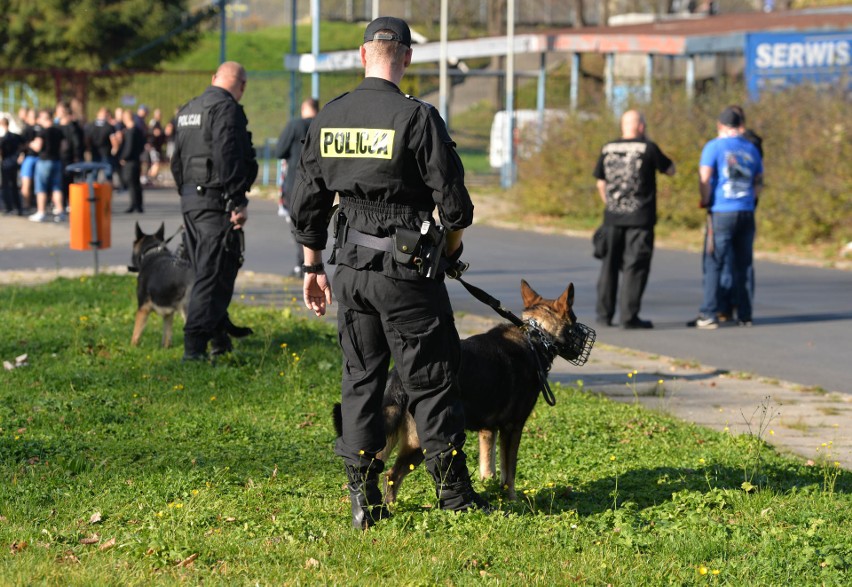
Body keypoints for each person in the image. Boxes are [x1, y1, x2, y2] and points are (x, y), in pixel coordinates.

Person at [290, 16, 488, 530]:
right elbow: (456, 207)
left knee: (361, 379)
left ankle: (363, 498)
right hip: (406, 275)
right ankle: (453, 493)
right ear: (406, 57)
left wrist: (312, 267)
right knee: (431, 377)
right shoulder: (417, 117)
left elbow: (306, 204)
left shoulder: (328, 118)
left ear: (362, 55)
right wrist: (449, 252)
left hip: (350, 268)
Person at [171, 61, 258, 361]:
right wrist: (237, 200)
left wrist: (187, 196)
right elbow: (228, 156)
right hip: (216, 202)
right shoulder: (226, 109)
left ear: (214, 78)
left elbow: (176, 161)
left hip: (192, 201)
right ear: (242, 85)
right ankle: (193, 348)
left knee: (208, 269)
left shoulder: (188, 109)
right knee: (213, 273)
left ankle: (220, 337)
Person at [592, 110, 676, 329]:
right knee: (635, 267)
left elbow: (600, 183)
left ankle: (604, 315)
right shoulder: (648, 147)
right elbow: (671, 169)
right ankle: (629, 318)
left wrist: (611, 204)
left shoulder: (607, 148)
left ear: (623, 126)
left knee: (608, 267)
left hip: (612, 218)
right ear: (641, 127)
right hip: (640, 218)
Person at [690, 107, 763, 329]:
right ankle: (745, 314)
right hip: (746, 211)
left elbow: (705, 177)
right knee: (744, 264)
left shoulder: (714, 146)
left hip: (722, 210)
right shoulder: (751, 148)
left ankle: (709, 313)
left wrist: (705, 200)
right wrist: (751, 198)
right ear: (740, 125)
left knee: (714, 262)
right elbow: (759, 180)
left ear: (720, 125)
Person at [273, 97, 319, 276]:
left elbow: (280, 151)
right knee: (315, 224)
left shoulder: (295, 125)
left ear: (304, 108)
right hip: (319, 182)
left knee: (298, 225)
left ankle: (303, 265)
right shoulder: (325, 124)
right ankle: (313, 264)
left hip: (296, 181)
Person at [28, 109, 66, 223]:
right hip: (56, 160)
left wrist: (31, 144)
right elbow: (64, 145)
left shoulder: (43, 132)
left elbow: (38, 146)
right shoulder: (58, 131)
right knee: (56, 187)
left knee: (41, 187)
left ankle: (41, 212)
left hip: (44, 161)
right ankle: (60, 211)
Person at [118, 109, 146, 213]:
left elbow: (128, 147)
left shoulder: (130, 132)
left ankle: (134, 204)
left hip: (130, 161)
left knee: (131, 183)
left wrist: (123, 157)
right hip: (137, 159)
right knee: (136, 183)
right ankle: (138, 204)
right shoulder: (138, 130)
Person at [0, 118, 24, 215]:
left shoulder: (3, 138)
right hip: (13, 163)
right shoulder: (15, 136)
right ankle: (18, 208)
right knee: (14, 185)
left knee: (6, 186)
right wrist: (20, 155)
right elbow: (23, 146)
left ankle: (9, 207)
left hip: (6, 163)